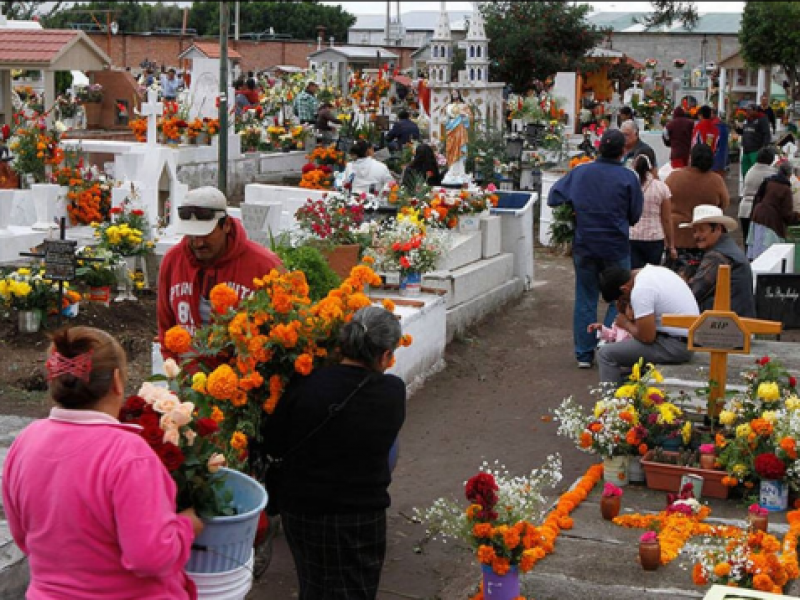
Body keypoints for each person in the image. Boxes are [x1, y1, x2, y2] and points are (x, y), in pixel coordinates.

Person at [2, 326, 203, 598]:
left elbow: (24, 537)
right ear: (117, 381)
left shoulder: (25, 443)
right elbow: (149, 557)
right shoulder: (128, 455)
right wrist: (185, 526)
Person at [262, 306, 406, 600]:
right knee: (356, 589)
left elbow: (273, 441)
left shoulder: (307, 385)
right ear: (383, 356)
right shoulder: (391, 393)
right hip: (358, 515)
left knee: (313, 584)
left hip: (302, 510)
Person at [548, 129, 644, 369]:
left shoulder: (581, 171)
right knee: (619, 297)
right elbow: (635, 215)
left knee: (585, 296)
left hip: (586, 245)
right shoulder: (629, 177)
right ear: (624, 151)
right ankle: (609, 346)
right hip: (616, 247)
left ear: (599, 147)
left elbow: (553, 197)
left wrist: (575, 206)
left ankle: (584, 353)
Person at [157, 187, 283, 359]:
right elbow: (165, 325)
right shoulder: (173, 261)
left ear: (226, 225)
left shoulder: (264, 266)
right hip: (187, 378)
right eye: (192, 235)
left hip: (244, 378)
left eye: (206, 234)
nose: (198, 243)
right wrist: (174, 371)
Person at [597, 265, 699, 384]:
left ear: (624, 289)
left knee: (606, 354)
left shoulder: (641, 290)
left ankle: (611, 401)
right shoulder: (654, 271)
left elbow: (646, 337)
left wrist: (625, 323)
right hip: (686, 339)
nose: (624, 302)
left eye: (622, 299)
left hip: (676, 346)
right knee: (625, 356)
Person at [680, 205, 755, 317]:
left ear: (718, 229)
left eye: (701, 230)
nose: (697, 236)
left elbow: (693, 292)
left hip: (727, 325)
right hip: (736, 320)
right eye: (694, 231)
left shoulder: (718, 256)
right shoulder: (728, 248)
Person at [665, 143, 730, 266]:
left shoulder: (674, 177)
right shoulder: (716, 180)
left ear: (691, 158)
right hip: (705, 238)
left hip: (677, 237)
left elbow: (663, 202)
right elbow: (724, 204)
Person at [629, 153, 674, 269]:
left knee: (635, 274)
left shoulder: (629, 186)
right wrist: (671, 245)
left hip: (632, 236)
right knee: (652, 273)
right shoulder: (661, 188)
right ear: (652, 167)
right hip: (655, 238)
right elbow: (666, 219)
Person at [747, 161, 797, 261]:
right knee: (767, 255)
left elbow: (758, 197)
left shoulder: (768, 181)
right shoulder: (785, 188)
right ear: (790, 174)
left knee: (756, 251)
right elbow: (786, 213)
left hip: (757, 216)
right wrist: (797, 217)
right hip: (770, 221)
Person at [738, 146, 776, 242]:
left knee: (747, 243)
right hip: (759, 213)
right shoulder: (772, 173)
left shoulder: (751, 171)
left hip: (744, 210)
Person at [443, 90, 472, 179]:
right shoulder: (448, 106)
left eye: (455, 93)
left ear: (459, 94)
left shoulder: (464, 106)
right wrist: (446, 121)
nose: (454, 95)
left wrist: (465, 116)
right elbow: (445, 119)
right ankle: (451, 170)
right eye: (452, 93)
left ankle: (461, 171)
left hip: (460, 128)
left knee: (460, 148)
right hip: (451, 129)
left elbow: (470, 117)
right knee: (451, 149)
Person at [740, 103, 772, 179]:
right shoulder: (747, 120)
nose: (747, 112)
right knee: (745, 172)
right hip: (746, 150)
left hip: (755, 151)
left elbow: (766, 134)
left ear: (755, 110)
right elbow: (745, 132)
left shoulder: (762, 119)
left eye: (749, 110)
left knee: (755, 172)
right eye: (746, 110)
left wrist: (763, 148)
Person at [711, 107, 730, 176]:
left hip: (716, 156)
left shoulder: (717, 126)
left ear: (714, 114)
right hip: (721, 157)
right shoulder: (722, 126)